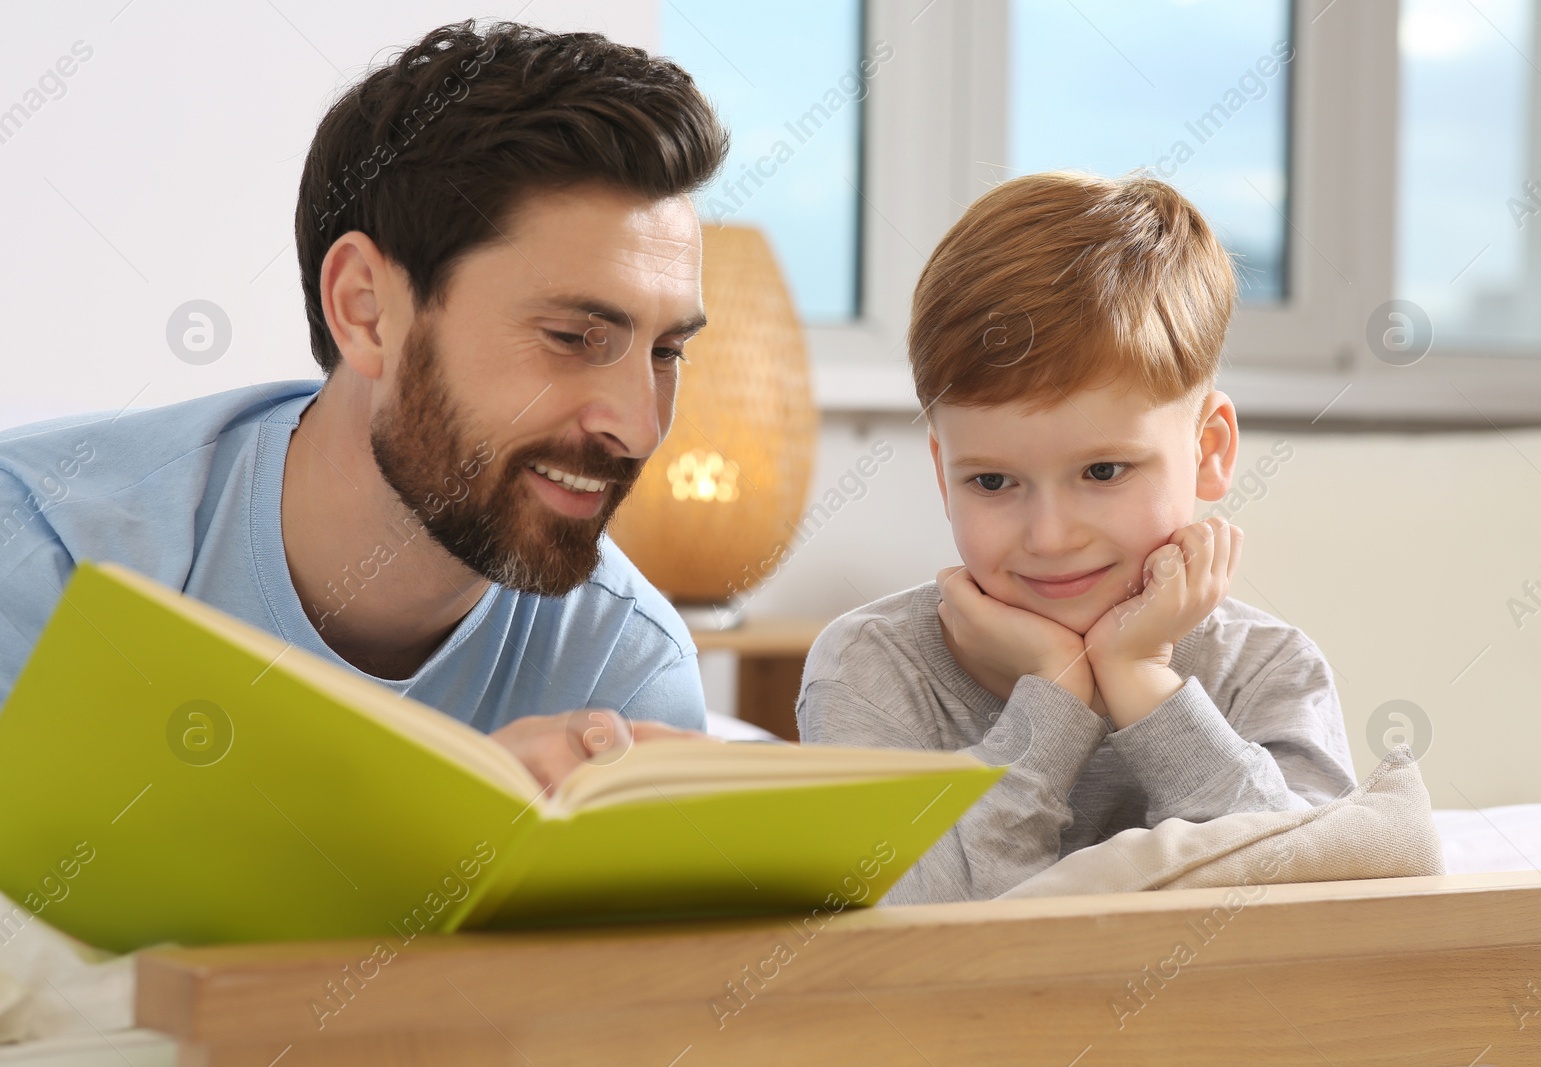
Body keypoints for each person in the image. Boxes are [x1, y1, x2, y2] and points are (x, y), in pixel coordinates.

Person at [0, 21, 731, 787]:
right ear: (366, 311)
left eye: (666, 352)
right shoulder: (45, 556)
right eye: (574, 336)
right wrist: (438, 812)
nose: (639, 427)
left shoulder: (624, 664)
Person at [797, 171, 1358, 904]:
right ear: (943, 474)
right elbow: (906, 934)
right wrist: (1053, 701)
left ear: (1210, 449)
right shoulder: (871, 669)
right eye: (992, 482)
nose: (1051, 536)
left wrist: (1144, 678)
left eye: (1102, 470)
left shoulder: (1268, 670)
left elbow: (1307, 909)